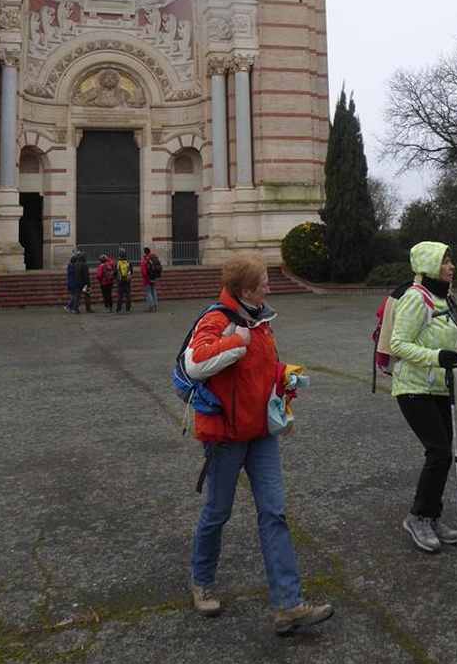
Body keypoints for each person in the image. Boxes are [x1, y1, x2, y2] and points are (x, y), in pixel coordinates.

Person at [188, 252, 334, 636]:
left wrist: (285, 376)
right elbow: (194, 361)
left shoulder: (260, 319)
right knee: (218, 512)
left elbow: (263, 370)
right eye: (264, 280)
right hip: (226, 437)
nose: (270, 285)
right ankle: (201, 581)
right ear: (246, 288)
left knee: (275, 513)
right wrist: (234, 343)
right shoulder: (216, 319)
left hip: (260, 434)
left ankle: (288, 604)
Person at [390, 241, 457, 553]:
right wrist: (437, 356)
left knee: (443, 452)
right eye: (445, 262)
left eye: (451, 261)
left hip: (437, 387)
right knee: (439, 452)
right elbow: (398, 344)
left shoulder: (443, 298)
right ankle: (418, 517)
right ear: (430, 265)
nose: (451, 267)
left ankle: (431, 516)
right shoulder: (415, 299)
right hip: (413, 388)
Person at [141, 246, 159, 312]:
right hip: (154, 277)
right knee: (154, 291)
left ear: (144, 252)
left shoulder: (145, 259)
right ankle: (156, 306)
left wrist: (146, 277)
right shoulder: (153, 258)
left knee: (148, 292)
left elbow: (143, 271)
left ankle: (151, 307)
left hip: (147, 279)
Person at [115, 249, 132, 313]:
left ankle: (118, 309)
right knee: (128, 295)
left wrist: (116, 278)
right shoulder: (128, 262)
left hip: (120, 281)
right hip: (127, 280)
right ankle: (128, 309)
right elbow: (131, 271)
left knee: (120, 295)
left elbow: (115, 272)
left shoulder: (118, 262)